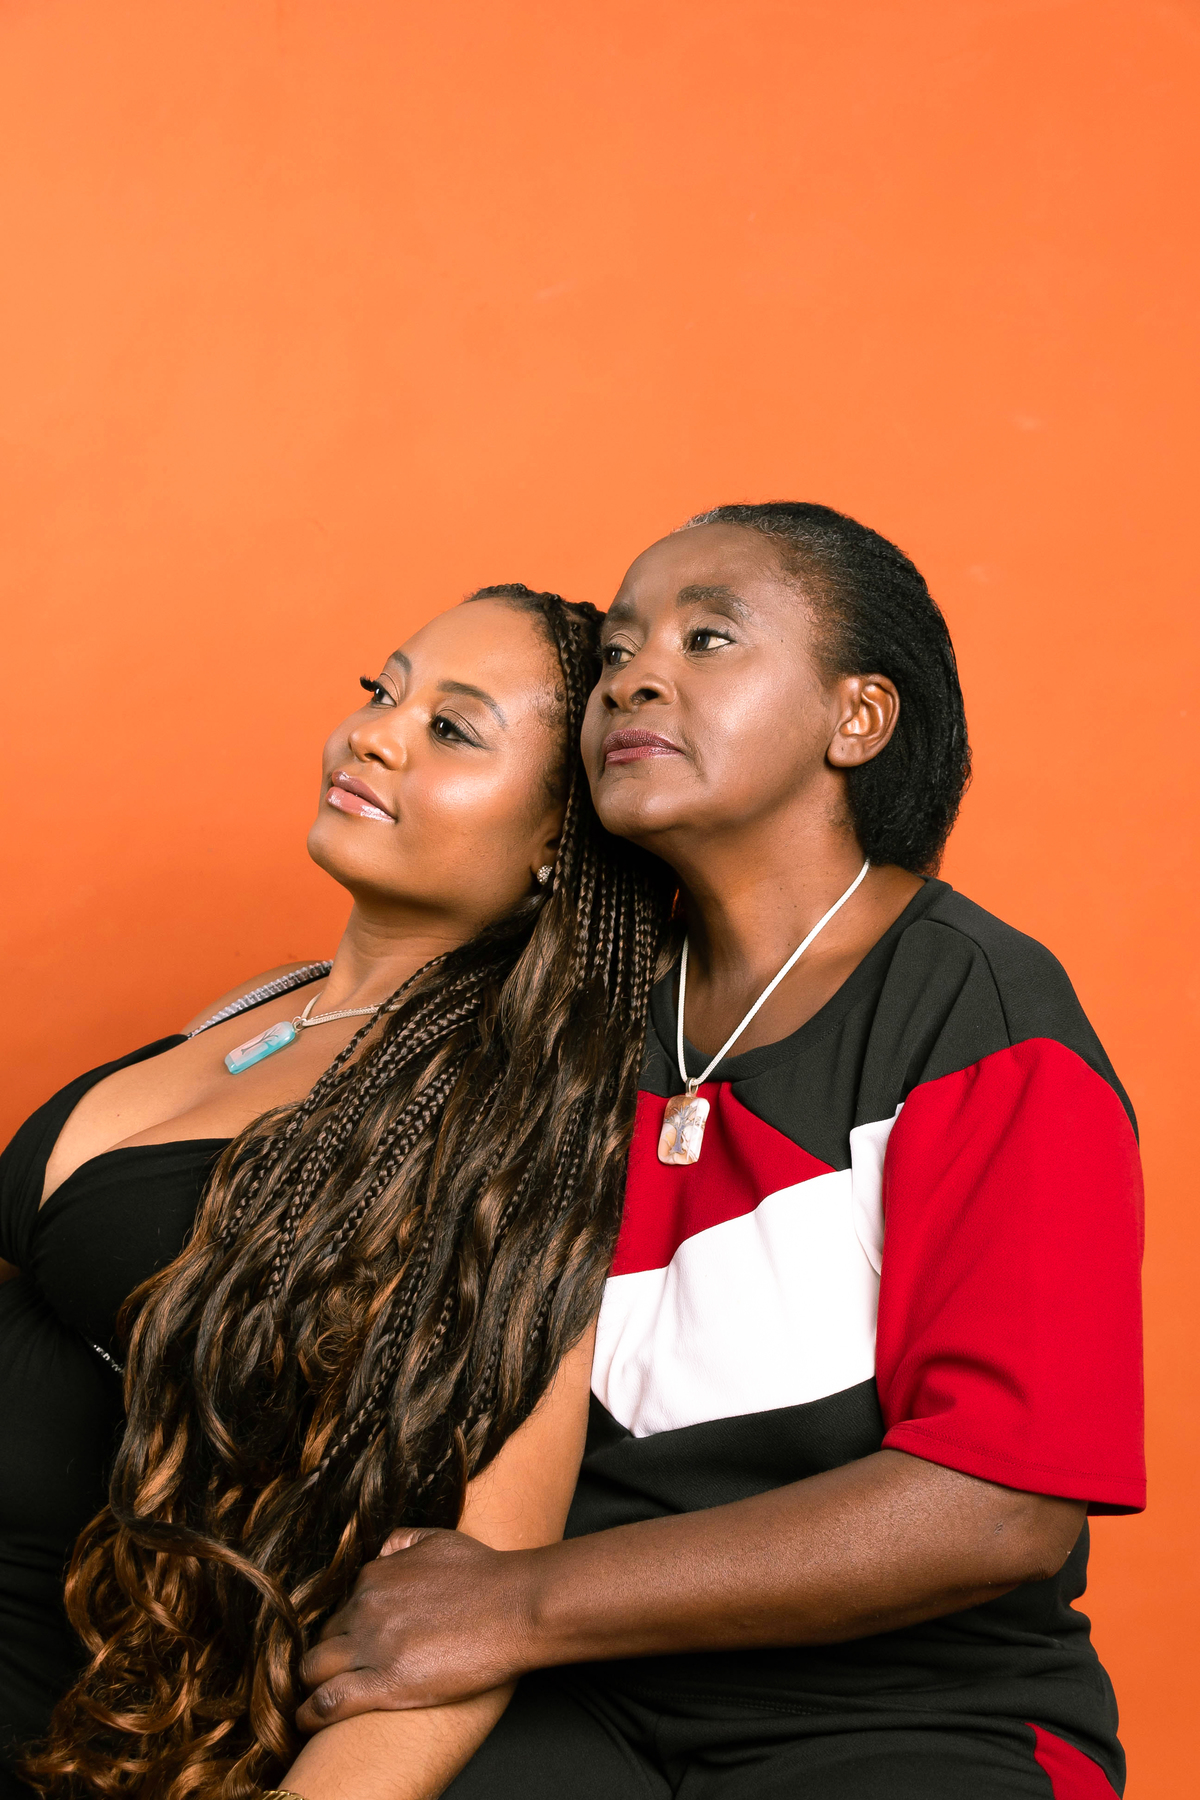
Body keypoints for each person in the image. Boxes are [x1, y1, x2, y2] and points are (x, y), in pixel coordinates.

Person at [296, 505, 1145, 1800]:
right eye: (621, 649)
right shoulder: (575, 1012)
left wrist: (517, 1604)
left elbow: (998, 1506)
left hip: (907, 1717)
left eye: (707, 639)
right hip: (592, 1700)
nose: (634, 677)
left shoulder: (978, 1013)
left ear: (857, 719)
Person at [3, 584, 674, 1800]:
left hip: (66, 1727)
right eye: (383, 691)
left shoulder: (507, 1143)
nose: (373, 734)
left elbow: (465, 1612)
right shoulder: (270, 1003)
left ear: (555, 841)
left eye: (452, 729)